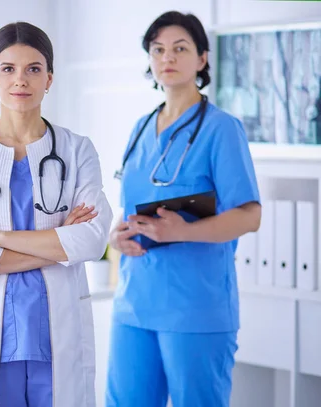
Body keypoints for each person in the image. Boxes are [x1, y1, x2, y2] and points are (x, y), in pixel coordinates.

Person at [0, 21, 113, 407]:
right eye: (8, 69)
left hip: (55, 328)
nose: (21, 80)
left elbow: (92, 239)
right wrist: (57, 246)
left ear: (49, 78)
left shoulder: (77, 150)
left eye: (33, 68)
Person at [106, 11, 261, 407]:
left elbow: (250, 215)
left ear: (202, 59)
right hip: (133, 305)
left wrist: (182, 232)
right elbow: (127, 207)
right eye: (158, 50)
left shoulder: (221, 129)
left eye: (180, 48)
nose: (167, 58)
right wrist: (114, 238)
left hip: (196, 309)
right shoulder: (141, 127)